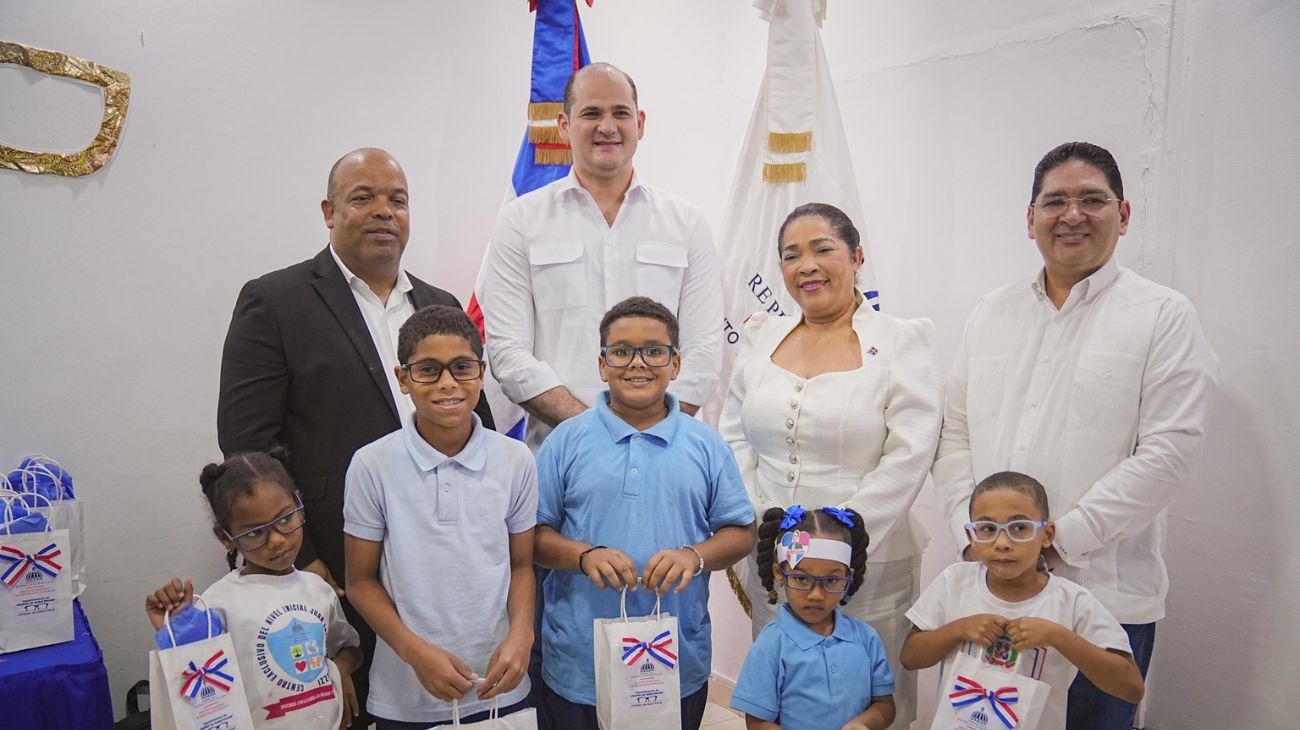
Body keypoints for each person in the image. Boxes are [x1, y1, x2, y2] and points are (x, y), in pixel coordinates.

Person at [931, 141, 1218, 727]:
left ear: (1125, 214)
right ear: (1030, 217)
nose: (1072, 215)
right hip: (989, 592)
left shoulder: (1162, 315)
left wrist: (1060, 539)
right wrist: (973, 528)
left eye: (1093, 200)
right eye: (1055, 201)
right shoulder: (992, 312)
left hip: (1103, 600)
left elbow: (1170, 452)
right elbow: (953, 431)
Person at [217, 148, 495, 721]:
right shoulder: (275, 300)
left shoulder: (439, 304)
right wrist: (307, 555)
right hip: (336, 560)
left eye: (397, 199)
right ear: (329, 210)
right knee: (349, 706)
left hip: (446, 558)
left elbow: (479, 425)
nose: (383, 211)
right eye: (363, 197)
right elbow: (248, 445)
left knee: (445, 702)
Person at [719, 202, 941, 728]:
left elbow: (910, 452)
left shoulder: (904, 338)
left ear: (857, 256)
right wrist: (765, 527)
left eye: (823, 249)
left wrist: (840, 539)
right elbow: (733, 434)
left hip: (869, 559)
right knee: (783, 689)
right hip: (774, 556)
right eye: (792, 255)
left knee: (866, 698)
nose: (807, 266)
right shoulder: (760, 334)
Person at [532, 296, 755, 730]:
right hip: (578, 663)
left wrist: (695, 556)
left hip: (675, 660)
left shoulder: (705, 445)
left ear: (676, 364)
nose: (638, 363)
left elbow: (741, 533)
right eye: (621, 351)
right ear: (601, 364)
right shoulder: (565, 442)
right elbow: (533, 537)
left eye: (655, 351)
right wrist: (582, 555)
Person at [479, 62, 724, 452]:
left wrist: (650, 428)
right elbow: (508, 352)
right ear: (563, 125)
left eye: (620, 113)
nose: (607, 126)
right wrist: (595, 429)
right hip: (561, 454)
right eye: (591, 113)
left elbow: (705, 351)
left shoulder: (687, 223)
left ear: (640, 124)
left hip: (667, 452)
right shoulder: (521, 222)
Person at [342, 306, 537, 728]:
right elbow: (359, 582)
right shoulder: (372, 464)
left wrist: (522, 635)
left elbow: (521, 564)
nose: (448, 383)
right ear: (403, 378)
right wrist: (414, 653)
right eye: (429, 370)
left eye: (462, 367)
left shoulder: (515, 459)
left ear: (481, 373)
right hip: (408, 693)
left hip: (500, 686)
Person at [902, 472, 1144, 730]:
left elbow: (1130, 688)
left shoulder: (1072, 602)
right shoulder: (954, 582)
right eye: (987, 529)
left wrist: (1058, 636)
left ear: (1047, 534)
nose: (1003, 543)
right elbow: (910, 657)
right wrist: (958, 629)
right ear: (971, 536)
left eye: (1019, 528)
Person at [145, 450, 362, 729]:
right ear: (226, 539)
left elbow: (350, 648)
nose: (276, 540)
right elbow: (196, 688)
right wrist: (179, 627)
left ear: (299, 504)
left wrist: (341, 669)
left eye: (285, 519)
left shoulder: (318, 589)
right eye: (253, 533)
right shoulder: (217, 603)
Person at [731, 505, 895, 730]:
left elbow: (885, 706)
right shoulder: (771, 645)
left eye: (831, 581)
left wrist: (864, 723)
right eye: (801, 579)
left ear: (848, 578)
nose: (816, 595)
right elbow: (757, 721)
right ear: (780, 573)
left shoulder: (867, 639)